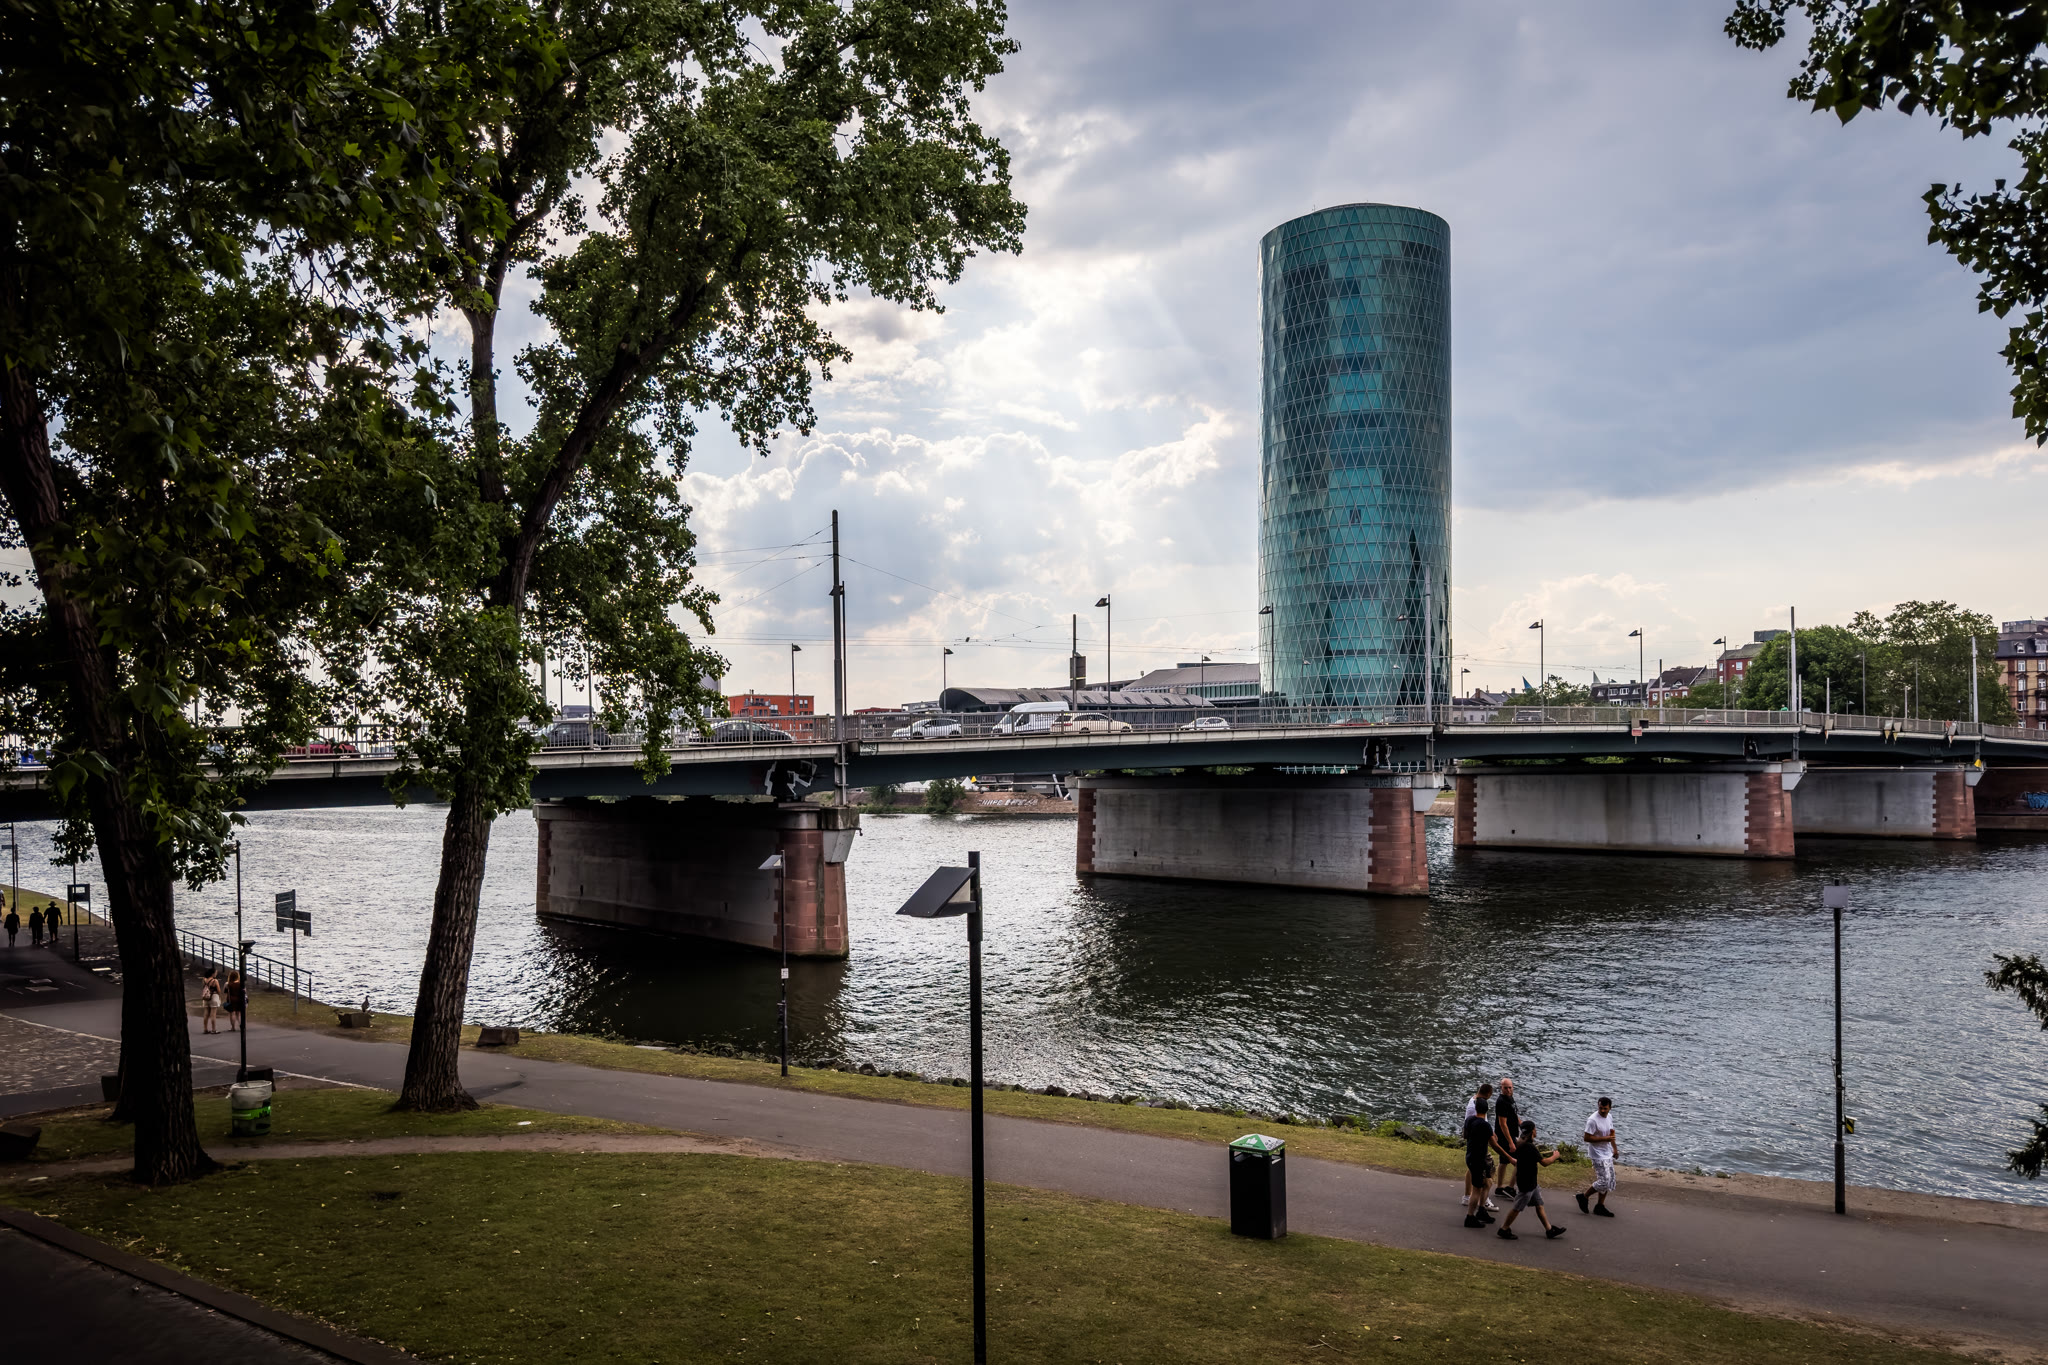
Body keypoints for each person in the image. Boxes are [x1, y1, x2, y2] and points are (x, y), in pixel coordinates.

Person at [1498, 1119, 1567, 1240]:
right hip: (1527, 1183)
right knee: (1517, 1208)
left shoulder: (1520, 1144)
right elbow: (1544, 1163)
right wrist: (1555, 1156)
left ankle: (1549, 1229)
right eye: (1535, 1129)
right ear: (1532, 1131)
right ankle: (1504, 1229)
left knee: (1539, 1204)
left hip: (1531, 1182)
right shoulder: (1530, 1147)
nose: (1536, 1131)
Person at [1462, 1086, 1511, 1228]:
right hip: (1479, 1158)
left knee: (1488, 1182)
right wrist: (1509, 1157)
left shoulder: (1470, 1121)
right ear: (1487, 1110)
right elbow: (1495, 1145)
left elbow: (1465, 1135)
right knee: (1477, 1189)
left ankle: (1481, 1210)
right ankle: (1470, 1217)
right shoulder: (1484, 1126)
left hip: (1471, 1155)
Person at [1577, 1096, 1619, 1217]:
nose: (1602, 1111)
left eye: (1605, 1108)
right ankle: (1584, 1196)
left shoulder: (1609, 1117)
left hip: (1607, 1152)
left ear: (1610, 1108)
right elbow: (1586, 1138)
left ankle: (1600, 1206)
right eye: (1600, 1108)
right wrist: (1605, 1138)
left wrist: (1615, 1149)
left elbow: (1611, 1134)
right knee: (1604, 1181)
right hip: (1597, 1154)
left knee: (1610, 1180)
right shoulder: (1592, 1120)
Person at [1492, 1076, 1522, 1199]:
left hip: (1512, 1133)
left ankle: (1499, 1188)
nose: (1508, 1090)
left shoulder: (1510, 1098)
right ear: (1501, 1088)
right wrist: (1511, 1142)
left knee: (1503, 1161)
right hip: (1505, 1136)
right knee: (1519, 1162)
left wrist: (1522, 1124)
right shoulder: (1502, 1102)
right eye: (1506, 1088)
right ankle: (1510, 1188)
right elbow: (1502, 1124)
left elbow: (1514, 1114)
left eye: (1510, 1088)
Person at [199, 968, 224, 1034]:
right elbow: (218, 990)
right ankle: (213, 1029)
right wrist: (220, 997)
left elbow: (204, 987)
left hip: (206, 997)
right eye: (215, 973)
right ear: (212, 974)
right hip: (214, 997)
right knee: (213, 1014)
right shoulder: (215, 981)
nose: (216, 974)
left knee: (206, 1014)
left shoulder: (204, 980)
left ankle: (205, 1029)